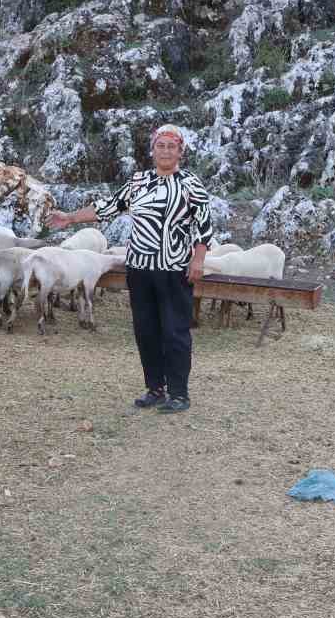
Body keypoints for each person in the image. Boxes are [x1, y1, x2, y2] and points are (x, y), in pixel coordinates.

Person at [46, 125, 214, 413]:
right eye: (160, 146)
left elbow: (204, 224)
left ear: (180, 152)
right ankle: (155, 389)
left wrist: (198, 260)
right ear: (152, 150)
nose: (165, 151)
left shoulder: (190, 184)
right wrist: (70, 218)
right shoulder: (138, 182)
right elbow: (107, 207)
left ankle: (179, 393)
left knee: (175, 331)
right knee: (145, 330)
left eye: (171, 147)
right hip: (140, 268)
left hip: (173, 268)